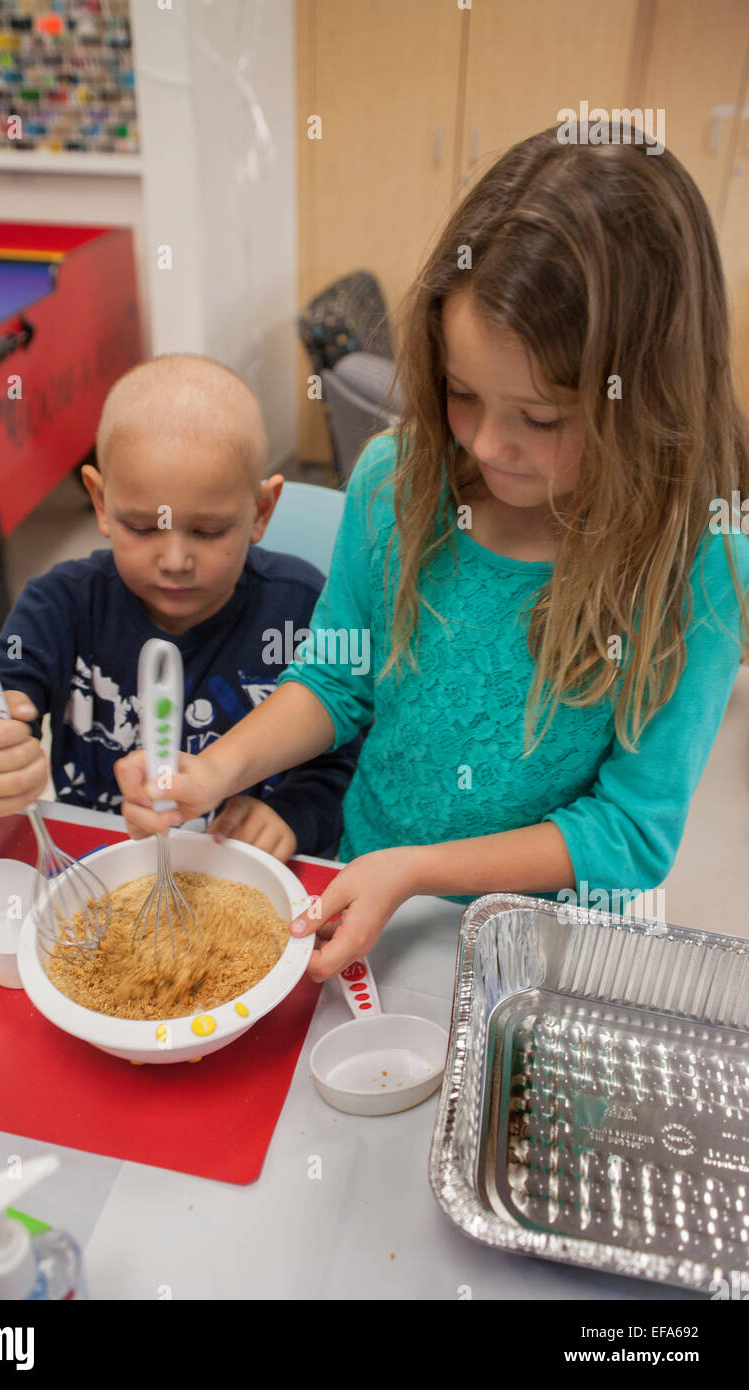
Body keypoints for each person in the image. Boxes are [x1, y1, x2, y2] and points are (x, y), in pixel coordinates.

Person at [115, 122, 749, 980]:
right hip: (361, 882)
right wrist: (214, 769)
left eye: (543, 418)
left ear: (646, 395)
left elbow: (631, 833)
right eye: (460, 394)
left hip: (540, 954)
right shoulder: (395, 481)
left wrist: (420, 873)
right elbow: (338, 680)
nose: (487, 445)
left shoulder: (700, 567)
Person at [0, 355, 361, 861]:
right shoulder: (60, 605)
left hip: (241, 872)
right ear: (100, 503)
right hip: (101, 865)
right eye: (143, 528)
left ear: (260, 512)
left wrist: (295, 815)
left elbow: (352, 754)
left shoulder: (302, 608)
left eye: (208, 532)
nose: (174, 561)